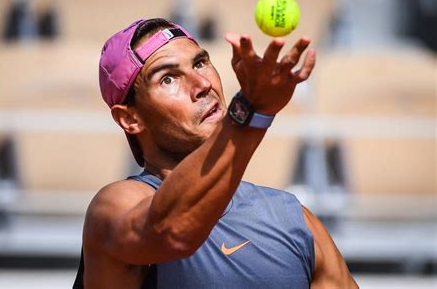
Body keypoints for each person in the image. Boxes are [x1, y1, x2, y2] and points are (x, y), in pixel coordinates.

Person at [74, 18, 358, 288]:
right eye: (168, 79)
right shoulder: (113, 208)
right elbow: (172, 233)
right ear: (130, 118)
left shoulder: (293, 219)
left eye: (200, 63)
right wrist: (250, 113)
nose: (202, 85)